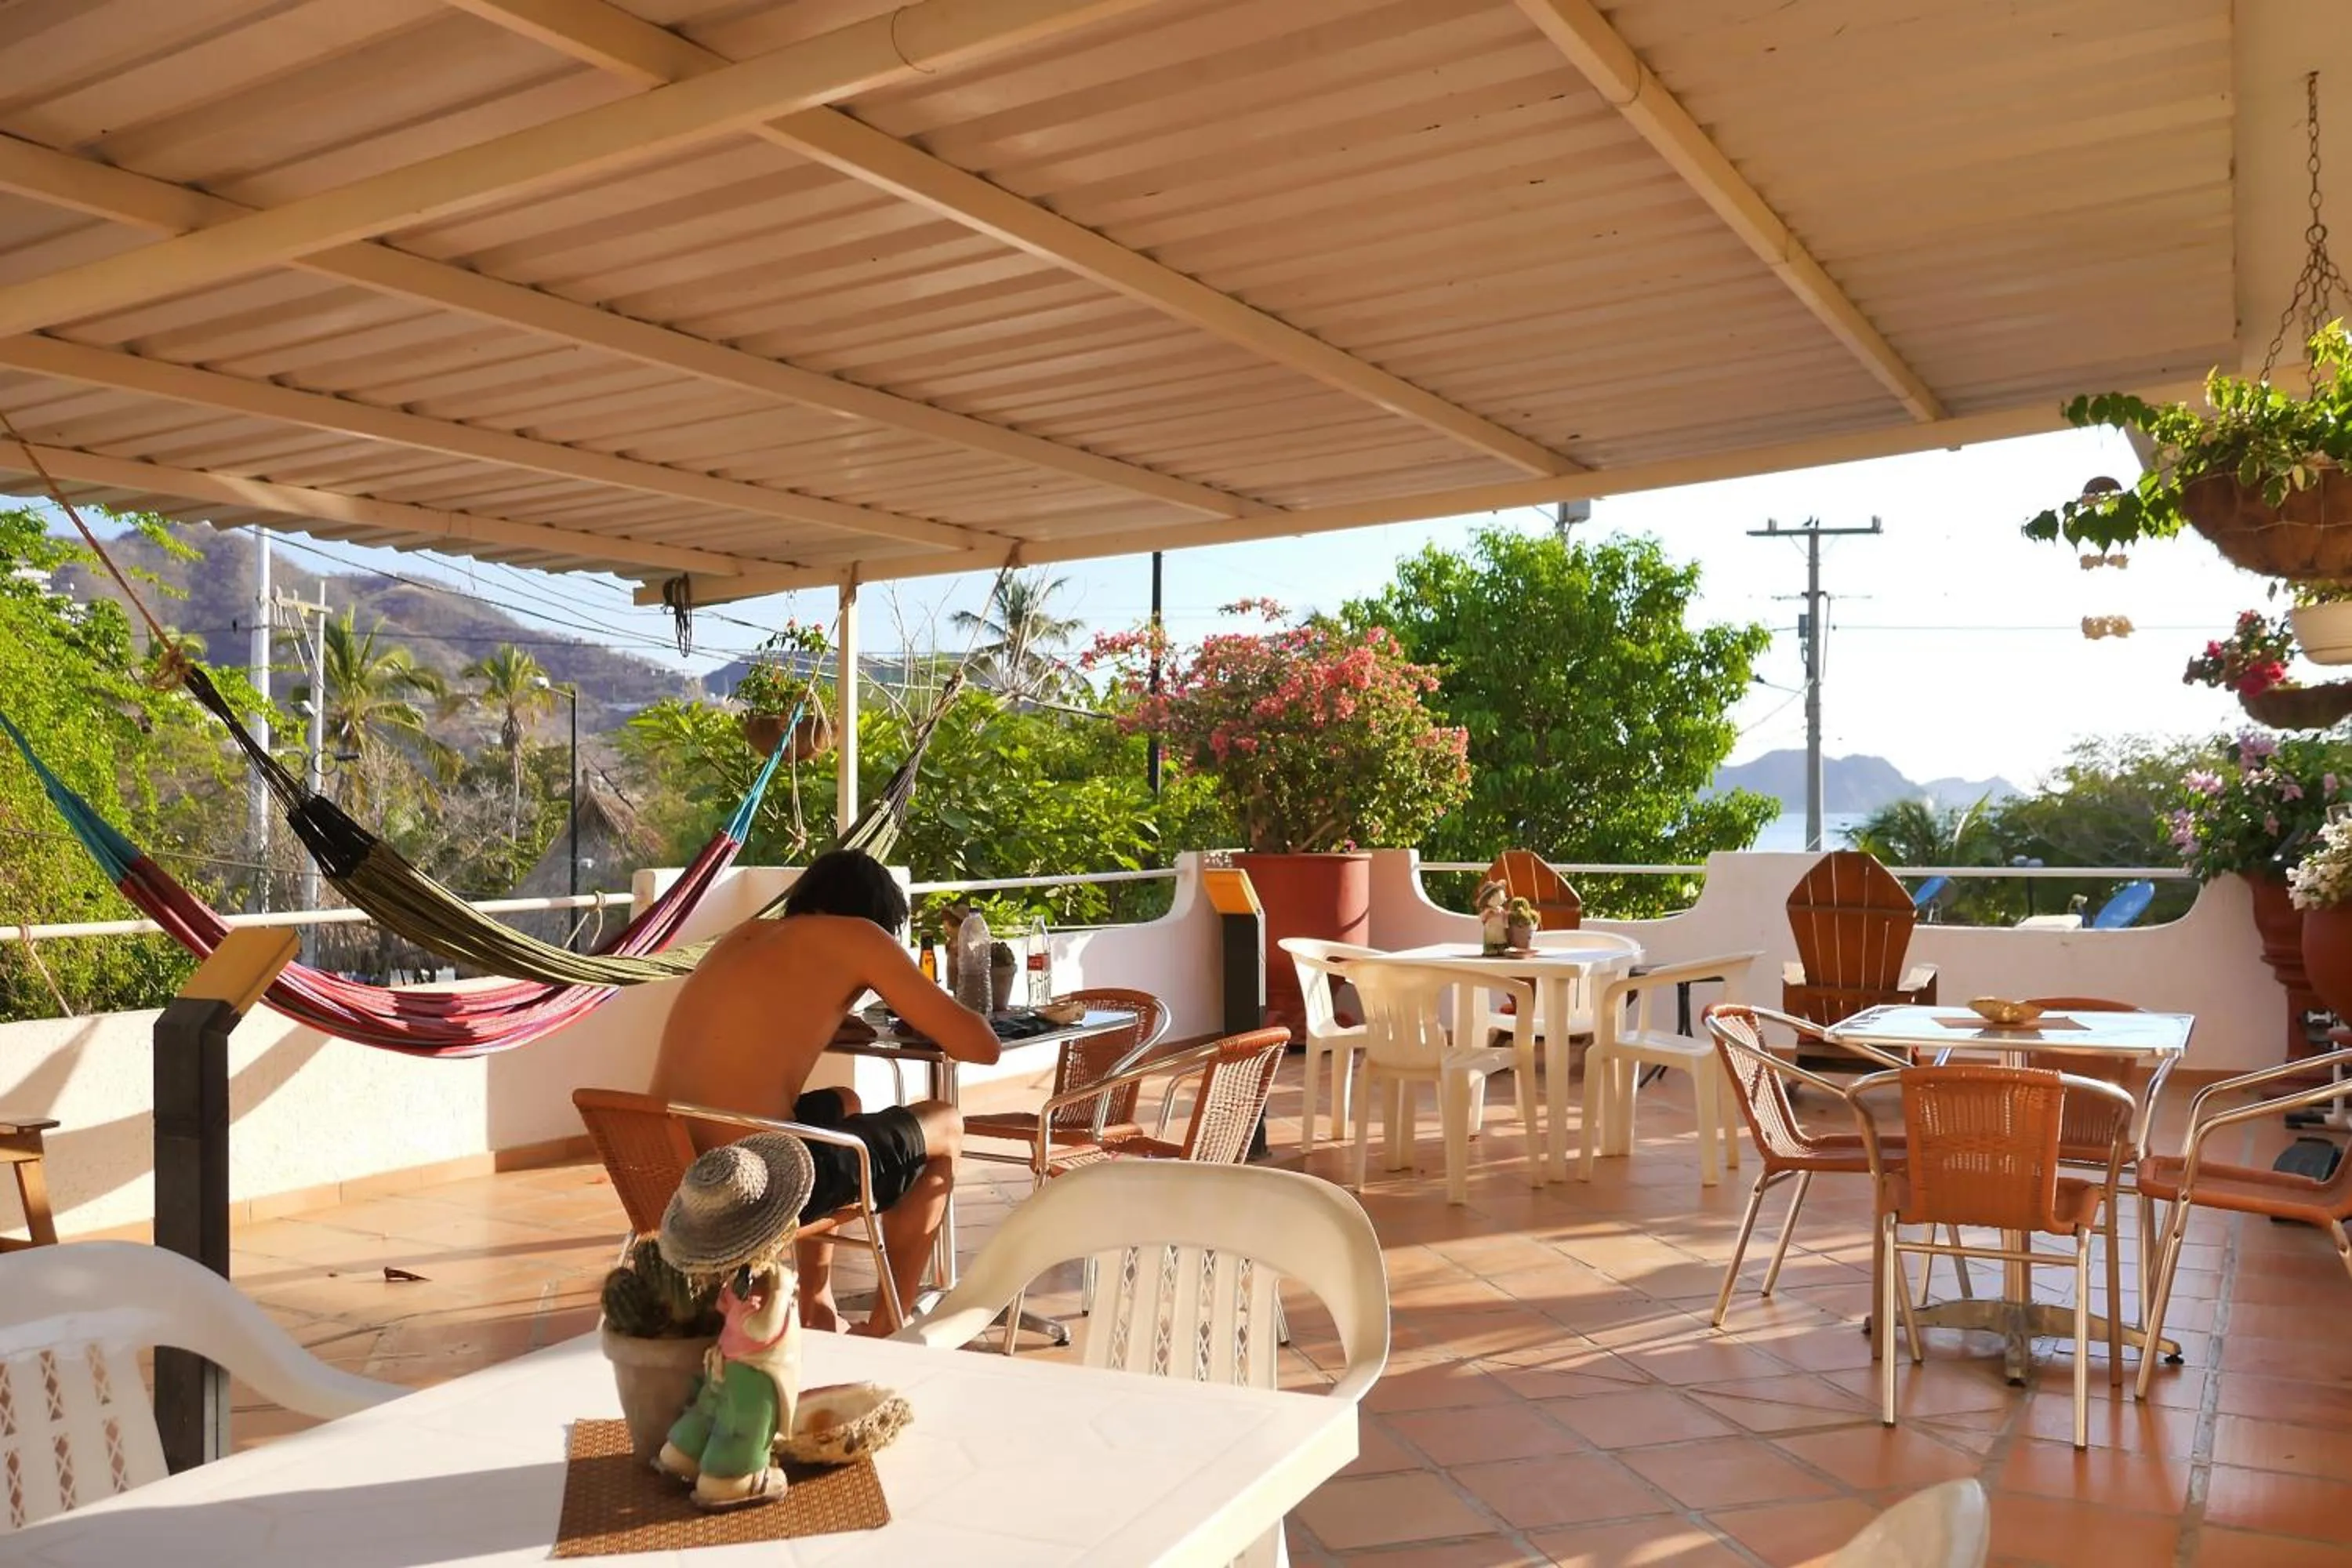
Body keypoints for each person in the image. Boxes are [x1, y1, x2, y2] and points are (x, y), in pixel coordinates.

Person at [650, 848, 1000, 1334]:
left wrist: (833, 1023)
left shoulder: (745, 934)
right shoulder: (859, 937)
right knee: (945, 1123)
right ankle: (886, 1327)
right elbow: (981, 1046)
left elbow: (763, 1018)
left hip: (669, 1166)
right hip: (756, 1181)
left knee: (844, 1102)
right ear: (875, 918)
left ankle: (817, 1304)